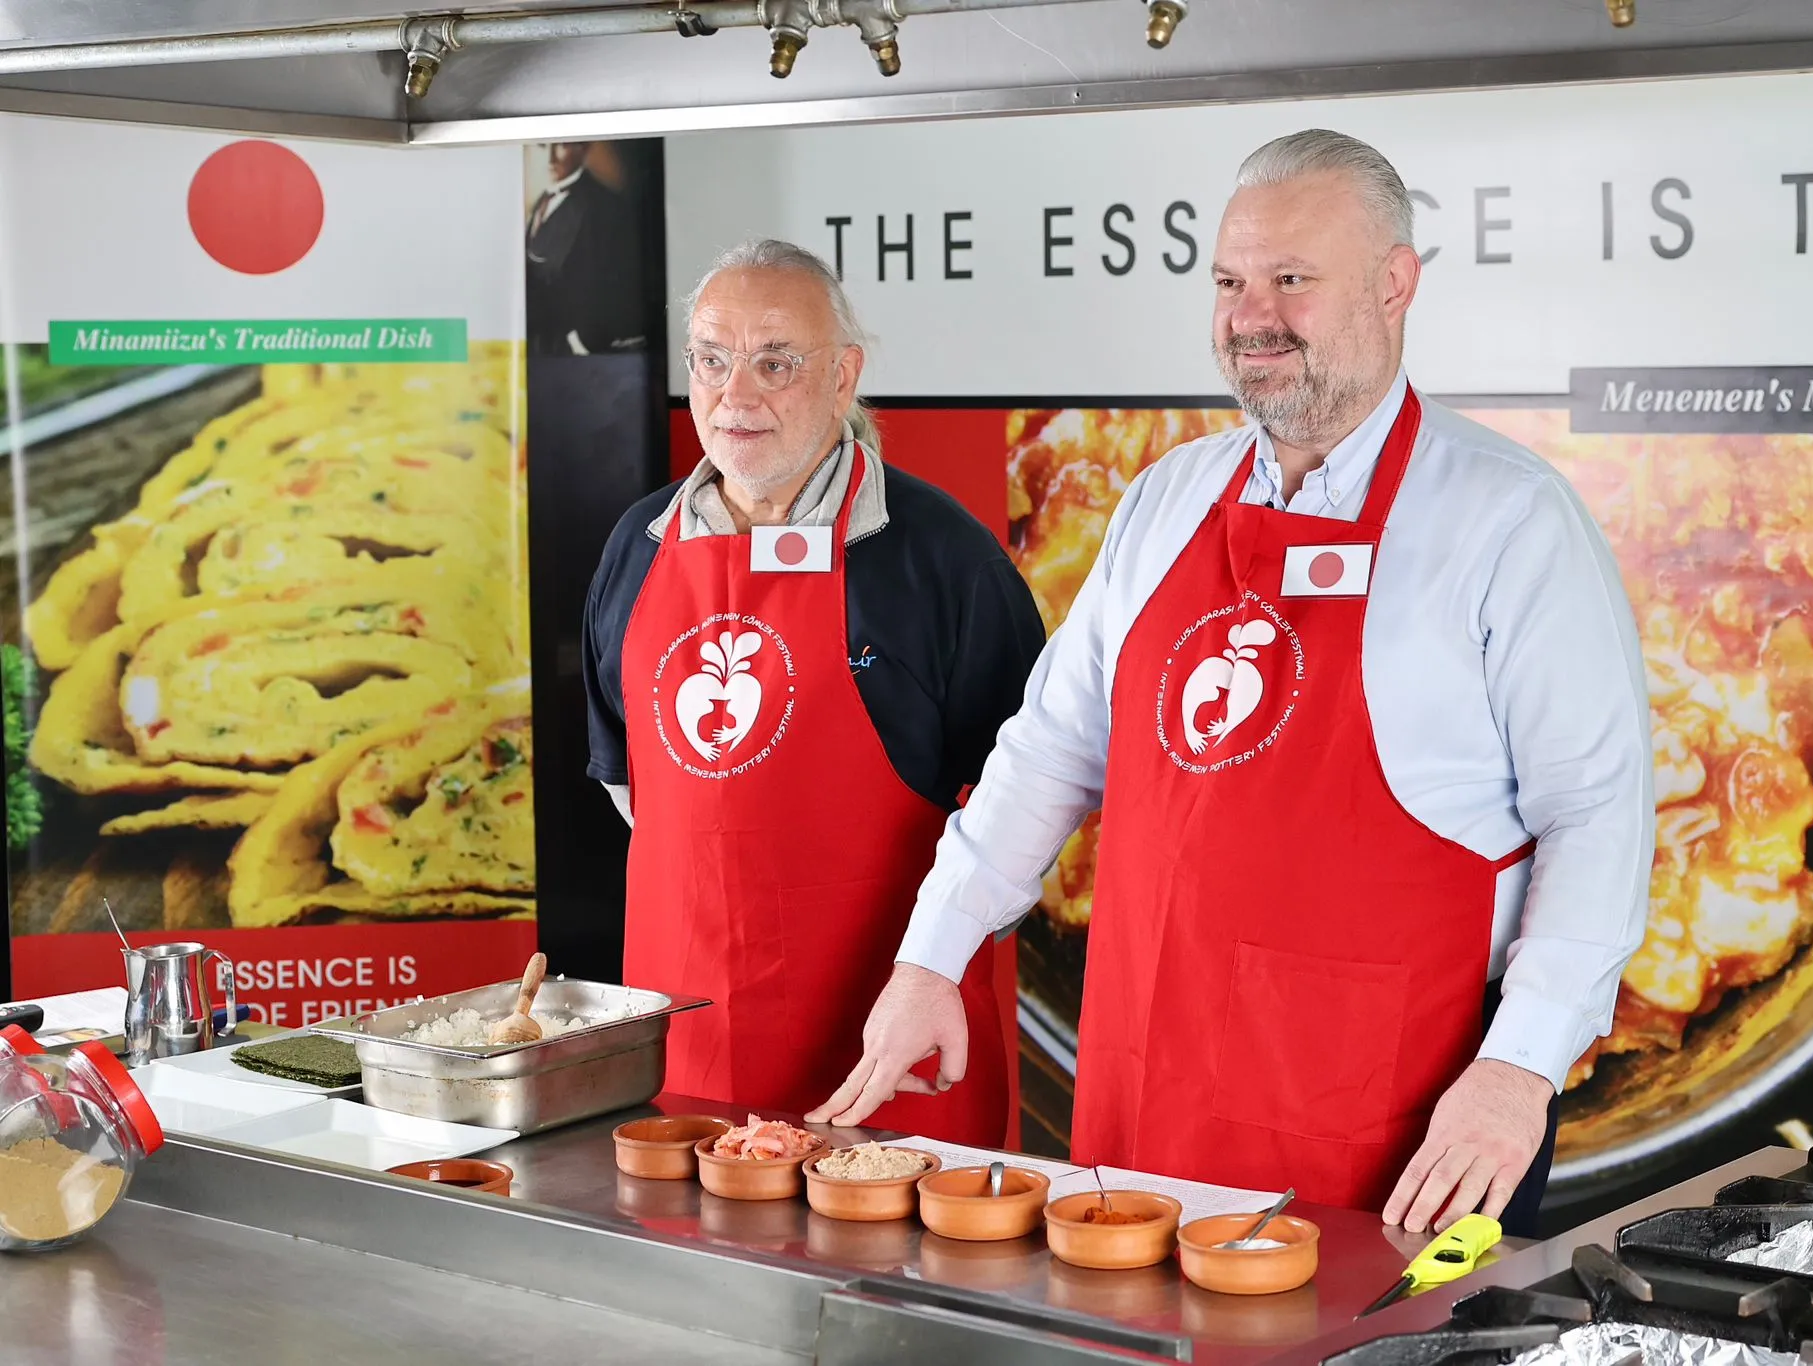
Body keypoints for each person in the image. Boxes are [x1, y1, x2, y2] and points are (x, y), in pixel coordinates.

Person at [810, 131, 1652, 1235]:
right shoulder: (1167, 497)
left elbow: (1594, 813)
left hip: (1396, 1118)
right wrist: (933, 952)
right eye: (1227, 281)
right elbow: (1051, 748)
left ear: (1394, 285)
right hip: (1151, 1086)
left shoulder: (1508, 518)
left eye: (1290, 280)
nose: (1250, 316)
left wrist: (1520, 1069)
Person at [584, 239, 1043, 1144]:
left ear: (845, 376)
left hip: (892, 1059)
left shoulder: (946, 560)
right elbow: (632, 790)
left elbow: (1028, 813)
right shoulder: (635, 547)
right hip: (691, 1057)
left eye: (776, 361)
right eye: (712, 360)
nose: (736, 393)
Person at [526, 142, 644, 356]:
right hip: (540, 344)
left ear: (583, 149)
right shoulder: (543, 200)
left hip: (578, 351)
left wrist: (581, 341)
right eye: (543, 146)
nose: (551, 157)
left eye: (561, 146)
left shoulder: (604, 205)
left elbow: (617, 282)